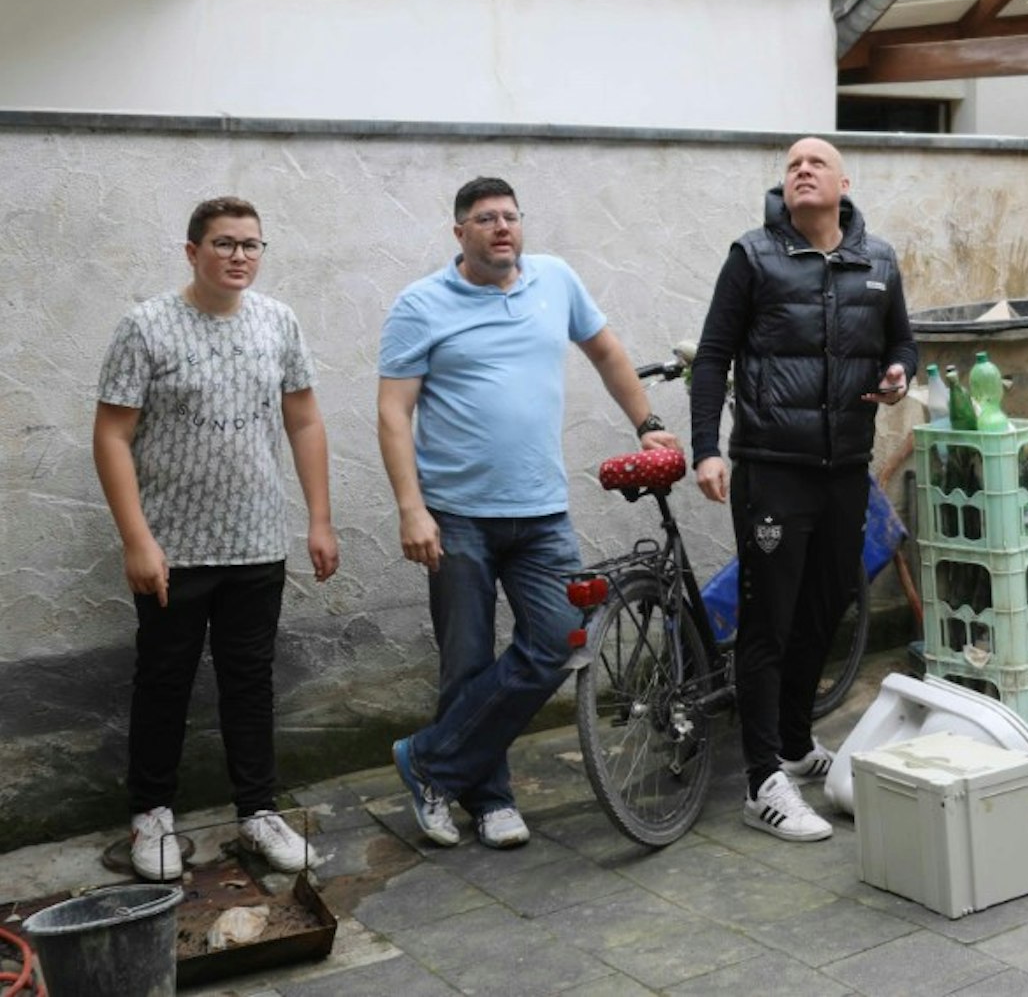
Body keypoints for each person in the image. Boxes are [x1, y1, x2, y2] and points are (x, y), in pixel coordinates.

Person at [377, 177, 677, 851]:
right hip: (455, 516)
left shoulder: (555, 280)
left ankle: (429, 764)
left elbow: (605, 351)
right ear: (460, 233)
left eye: (511, 216)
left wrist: (647, 423)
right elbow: (394, 413)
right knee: (467, 663)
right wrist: (410, 509)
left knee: (562, 640)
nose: (502, 228)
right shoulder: (420, 305)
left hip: (540, 512)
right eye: (485, 219)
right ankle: (489, 801)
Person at [94, 195, 338, 881]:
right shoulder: (145, 327)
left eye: (252, 245)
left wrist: (318, 518)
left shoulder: (277, 322)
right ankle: (152, 817)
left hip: (257, 543)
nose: (239, 256)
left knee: (249, 682)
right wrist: (136, 538)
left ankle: (257, 812)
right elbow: (112, 436)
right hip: (173, 548)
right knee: (164, 681)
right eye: (225, 243)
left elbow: (305, 421)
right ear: (192, 251)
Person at [690, 137, 916, 842]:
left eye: (815, 162)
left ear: (843, 181)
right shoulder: (753, 257)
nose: (802, 171)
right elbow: (712, 358)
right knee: (769, 622)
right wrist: (704, 449)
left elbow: (902, 343)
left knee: (826, 608)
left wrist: (899, 374)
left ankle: (791, 741)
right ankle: (761, 781)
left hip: (843, 467)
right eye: (791, 166)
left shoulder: (876, 261)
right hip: (770, 467)